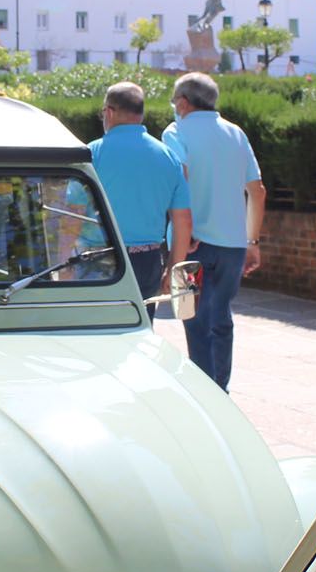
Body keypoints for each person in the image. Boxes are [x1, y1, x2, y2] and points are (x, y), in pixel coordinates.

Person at [161, 72, 265, 392]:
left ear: (183, 102)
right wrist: (252, 241)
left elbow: (182, 178)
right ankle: (221, 386)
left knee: (194, 318)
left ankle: (207, 393)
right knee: (221, 317)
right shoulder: (235, 133)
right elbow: (257, 190)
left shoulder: (176, 131)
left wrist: (184, 232)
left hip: (194, 242)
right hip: (234, 244)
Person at [89, 82, 190, 300]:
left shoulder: (93, 153)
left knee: (97, 330)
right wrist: (173, 269)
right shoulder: (168, 157)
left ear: (109, 112)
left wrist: (62, 261)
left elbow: (73, 212)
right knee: (140, 329)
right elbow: (182, 220)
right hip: (148, 260)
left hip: (99, 260)